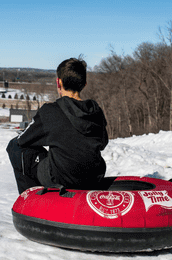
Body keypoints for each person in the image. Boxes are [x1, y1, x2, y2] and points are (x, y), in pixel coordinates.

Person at [7, 58, 107, 194]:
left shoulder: (50, 111)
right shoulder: (96, 111)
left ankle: (31, 202)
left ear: (58, 82)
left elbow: (23, 140)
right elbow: (103, 143)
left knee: (15, 146)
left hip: (62, 178)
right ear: (84, 84)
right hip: (94, 178)